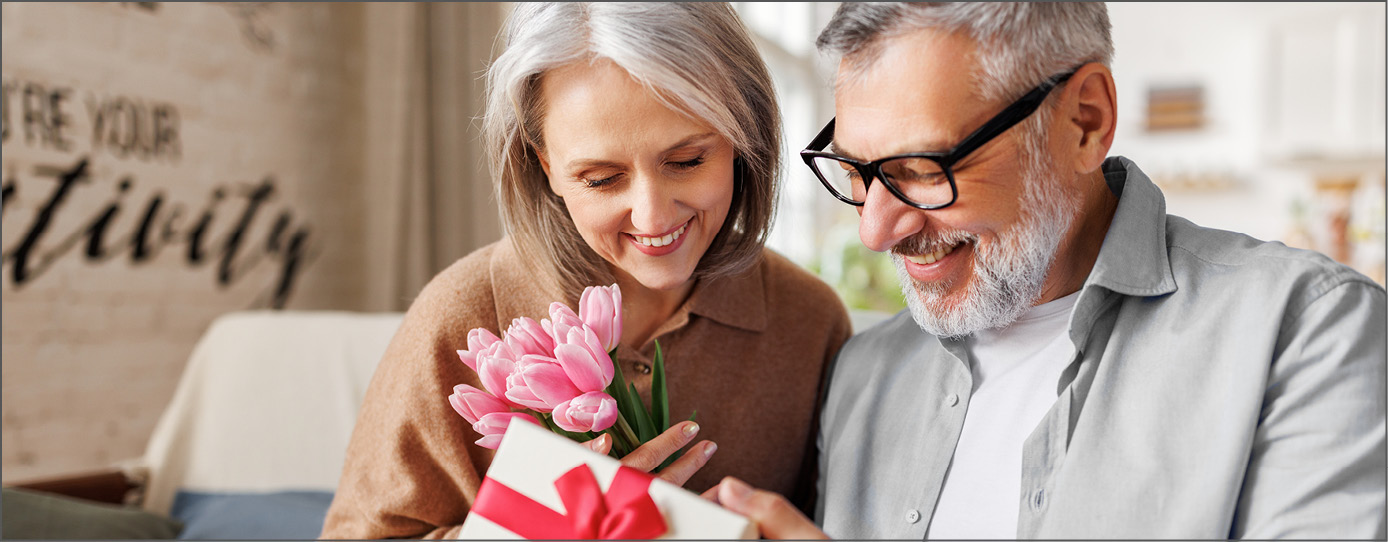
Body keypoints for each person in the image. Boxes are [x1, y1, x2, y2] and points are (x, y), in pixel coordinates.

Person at [711, 2, 1386, 539]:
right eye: (857, 172)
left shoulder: (1306, 334)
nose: (874, 229)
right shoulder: (864, 375)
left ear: (1085, 122)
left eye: (921, 170)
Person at [320, 3, 851, 539]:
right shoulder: (464, 314)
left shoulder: (807, 320)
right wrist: (543, 527)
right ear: (546, 165)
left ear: (743, 136)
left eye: (688, 161)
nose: (653, 215)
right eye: (601, 178)